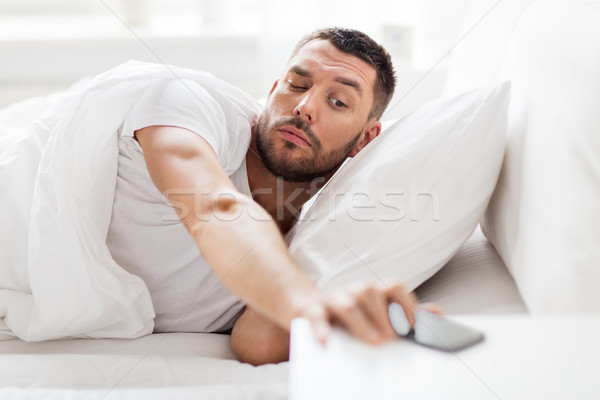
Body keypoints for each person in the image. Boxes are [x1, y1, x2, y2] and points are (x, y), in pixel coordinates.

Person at [106, 27, 424, 366]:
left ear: (366, 138)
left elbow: (257, 344)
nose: (304, 106)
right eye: (297, 85)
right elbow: (214, 210)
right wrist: (305, 304)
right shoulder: (191, 105)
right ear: (273, 91)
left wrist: (335, 310)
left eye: (338, 102)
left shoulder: (312, 238)